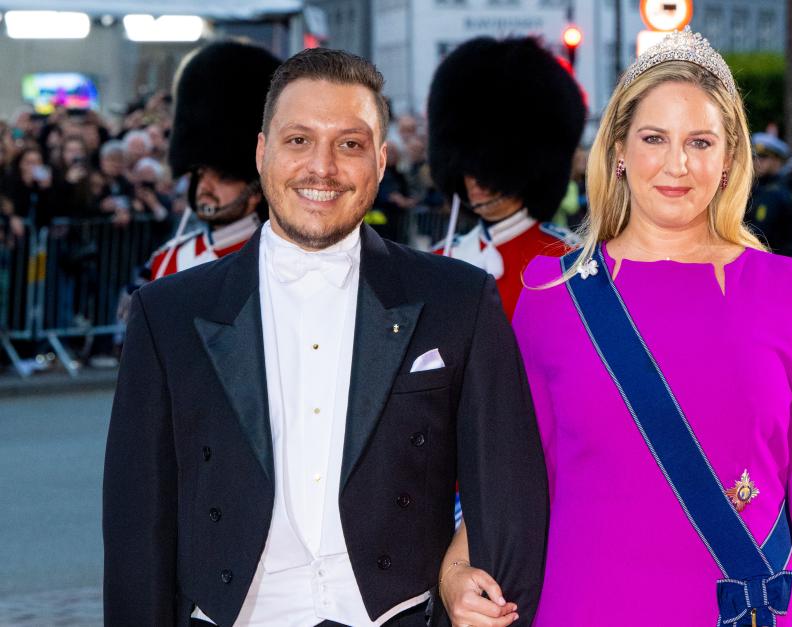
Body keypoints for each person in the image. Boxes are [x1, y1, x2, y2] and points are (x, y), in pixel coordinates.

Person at [447, 28, 792, 626]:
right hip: (589, 605)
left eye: (700, 141)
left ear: (729, 159)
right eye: (655, 138)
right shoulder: (551, 294)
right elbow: (515, 470)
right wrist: (454, 573)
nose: (678, 164)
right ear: (619, 151)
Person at [102, 47, 547, 627]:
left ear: (382, 162)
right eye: (298, 140)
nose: (323, 167)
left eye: (350, 144)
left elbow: (507, 496)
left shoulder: (459, 300)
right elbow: (139, 522)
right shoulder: (167, 314)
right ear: (262, 152)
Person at [428, 37, 585, 317]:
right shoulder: (439, 259)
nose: (474, 181)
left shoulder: (566, 258)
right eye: (466, 169)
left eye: (487, 170)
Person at [148, 40, 279, 280]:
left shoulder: (284, 261)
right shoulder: (170, 260)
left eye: (223, 177)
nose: (204, 188)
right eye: (199, 173)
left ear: (255, 192)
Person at [746, 132, 792, 256]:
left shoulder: (776, 192)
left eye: (763, 157)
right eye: (754, 157)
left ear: (777, 161)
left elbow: (760, 232)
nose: (756, 162)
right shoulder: (760, 188)